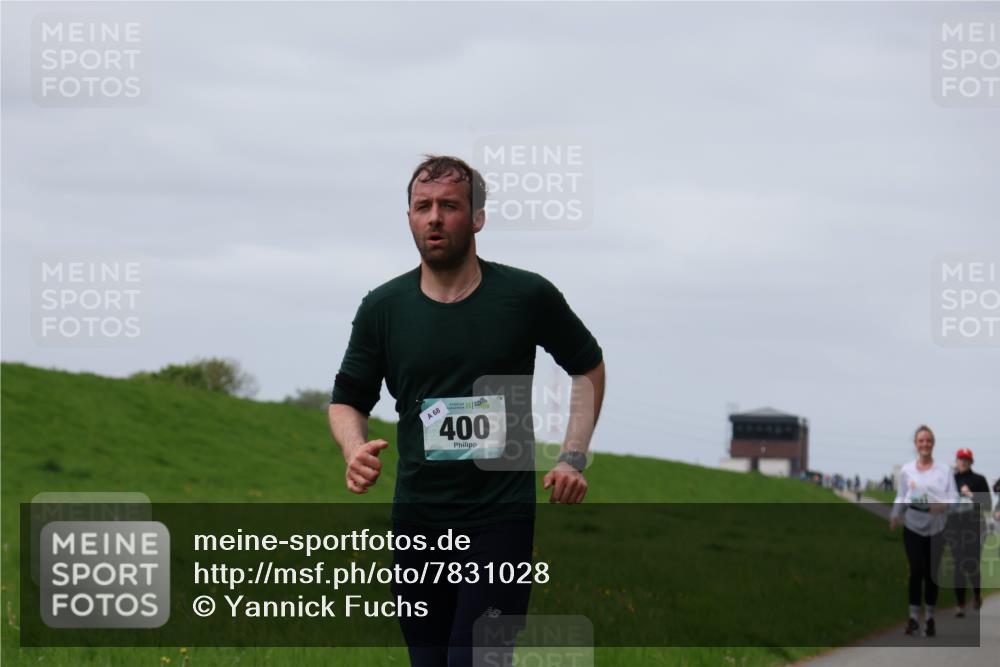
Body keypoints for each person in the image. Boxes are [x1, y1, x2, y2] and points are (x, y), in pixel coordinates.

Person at [327, 155, 606, 667]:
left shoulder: (526, 296)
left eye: (449, 206)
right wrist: (353, 449)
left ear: (477, 217)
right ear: (409, 216)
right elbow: (347, 399)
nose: (434, 217)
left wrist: (573, 456)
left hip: (500, 520)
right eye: (422, 206)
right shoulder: (383, 308)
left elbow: (587, 367)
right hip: (417, 521)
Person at [889, 425, 958, 638]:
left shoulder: (944, 470)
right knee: (916, 570)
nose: (925, 444)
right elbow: (901, 495)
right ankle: (912, 618)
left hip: (936, 527)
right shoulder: (907, 470)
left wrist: (944, 506)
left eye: (928, 440)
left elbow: (954, 497)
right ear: (915, 444)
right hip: (912, 525)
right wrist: (894, 514)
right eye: (921, 441)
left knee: (930, 574)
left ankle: (929, 619)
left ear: (933, 444)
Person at [945, 449, 992, 617]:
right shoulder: (951, 480)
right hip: (955, 527)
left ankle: (977, 594)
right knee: (958, 565)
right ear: (956, 461)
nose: (963, 462)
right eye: (960, 459)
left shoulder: (979, 480)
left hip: (975, 527)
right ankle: (960, 605)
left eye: (966, 459)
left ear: (971, 462)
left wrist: (971, 494)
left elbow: (987, 505)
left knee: (972, 565)